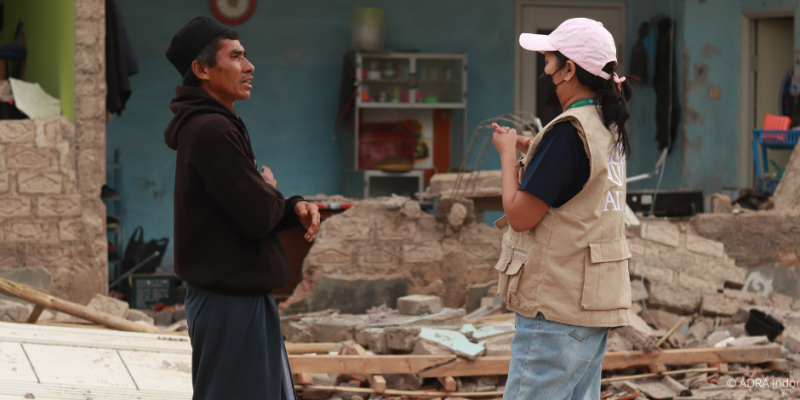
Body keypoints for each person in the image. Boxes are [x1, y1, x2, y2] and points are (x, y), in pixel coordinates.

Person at [164, 16, 320, 400]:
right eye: (235, 57)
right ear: (201, 69)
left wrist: (291, 206)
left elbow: (248, 206)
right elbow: (255, 216)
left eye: (245, 57)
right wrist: (268, 191)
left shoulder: (213, 124)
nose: (249, 67)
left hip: (232, 300)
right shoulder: (212, 131)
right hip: (230, 305)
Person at [490, 18, 634, 399]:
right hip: (592, 307)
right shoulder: (608, 124)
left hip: (555, 312)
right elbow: (580, 183)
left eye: (550, 61)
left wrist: (506, 156)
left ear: (569, 69)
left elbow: (520, 215)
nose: (546, 69)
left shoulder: (567, 132)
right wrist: (534, 149)